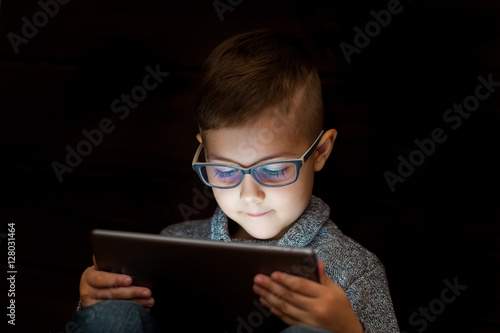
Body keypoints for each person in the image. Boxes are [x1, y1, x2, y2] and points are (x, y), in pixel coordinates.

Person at [71, 30, 399, 333]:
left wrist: (348, 329)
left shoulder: (354, 270)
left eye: (273, 170)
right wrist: (94, 306)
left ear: (320, 152)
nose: (249, 195)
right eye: (226, 171)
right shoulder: (174, 246)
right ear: (204, 150)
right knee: (113, 316)